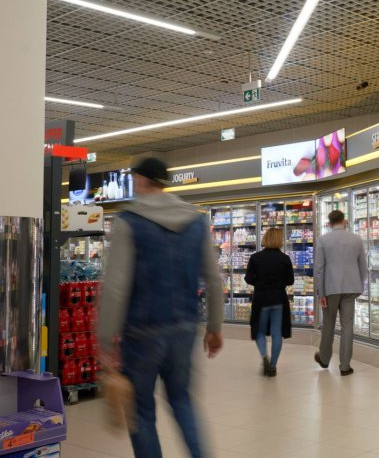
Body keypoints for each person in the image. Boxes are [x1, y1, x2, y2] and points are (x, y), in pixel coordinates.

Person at [97, 157, 224, 458]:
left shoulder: (128, 221)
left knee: (141, 410)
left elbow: (115, 286)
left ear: (140, 179)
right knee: (182, 400)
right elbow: (213, 279)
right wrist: (215, 327)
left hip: (142, 331)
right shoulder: (196, 221)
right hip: (184, 328)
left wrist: (104, 338)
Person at [314, 209, 367, 376]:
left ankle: (324, 358)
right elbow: (363, 266)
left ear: (329, 223)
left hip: (330, 289)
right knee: (347, 326)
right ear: (344, 221)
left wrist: (320, 293)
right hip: (351, 288)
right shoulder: (356, 239)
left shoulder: (323, 240)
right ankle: (345, 366)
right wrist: (360, 286)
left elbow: (319, 269)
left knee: (328, 324)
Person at [245, 227, 294, 377]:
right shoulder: (285, 258)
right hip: (278, 298)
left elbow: (248, 278)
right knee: (276, 333)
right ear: (280, 240)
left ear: (265, 239)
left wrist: (259, 282)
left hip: (261, 299)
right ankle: (272, 366)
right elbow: (290, 280)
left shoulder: (255, 257)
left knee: (259, 331)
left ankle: (264, 356)